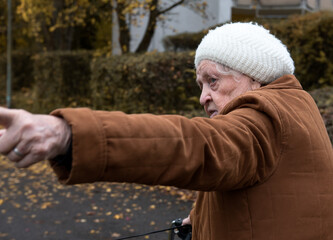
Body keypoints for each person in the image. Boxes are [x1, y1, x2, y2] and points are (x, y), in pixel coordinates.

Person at [0, 22, 332, 240]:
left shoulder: (264, 117)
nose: (203, 97)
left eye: (212, 81)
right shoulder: (297, 105)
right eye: (201, 84)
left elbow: (200, 147)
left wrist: (66, 133)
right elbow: (253, 187)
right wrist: (200, 220)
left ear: (254, 76)